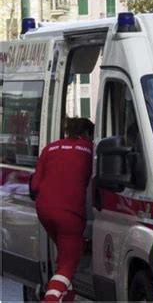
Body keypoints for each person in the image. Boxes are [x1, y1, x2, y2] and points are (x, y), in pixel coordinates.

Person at [31, 117, 94, 302]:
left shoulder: (49, 148)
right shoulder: (90, 150)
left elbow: (35, 185)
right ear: (88, 134)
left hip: (44, 210)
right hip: (70, 214)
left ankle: (67, 297)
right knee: (68, 263)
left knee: (64, 256)